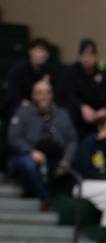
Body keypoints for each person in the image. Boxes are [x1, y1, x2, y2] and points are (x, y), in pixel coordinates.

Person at [7, 79, 76, 210]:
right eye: (39, 93)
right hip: (27, 156)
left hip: (56, 158)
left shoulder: (62, 114)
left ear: (51, 94)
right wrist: (31, 151)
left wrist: (66, 160)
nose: (43, 96)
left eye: (46, 93)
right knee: (29, 164)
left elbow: (72, 140)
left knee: (72, 172)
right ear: (33, 95)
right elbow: (14, 138)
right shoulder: (23, 112)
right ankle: (45, 198)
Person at [62, 38, 106, 137]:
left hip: (102, 109)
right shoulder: (72, 71)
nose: (87, 58)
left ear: (96, 56)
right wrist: (82, 107)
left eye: (90, 55)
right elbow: (69, 94)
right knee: (68, 112)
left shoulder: (105, 69)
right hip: (82, 110)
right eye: (84, 55)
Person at [4, 38, 52, 117]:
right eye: (40, 51)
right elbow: (12, 94)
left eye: (46, 51)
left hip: (38, 106)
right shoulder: (18, 69)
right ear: (30, 51)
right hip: (18, 105)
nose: (43, 54)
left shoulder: (47, 71)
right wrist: (23, 102)